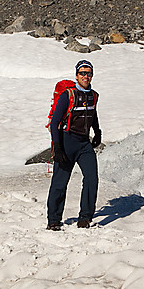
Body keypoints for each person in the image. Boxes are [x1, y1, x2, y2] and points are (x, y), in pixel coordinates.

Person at [46, 60, 102, 230]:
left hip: (84, 144)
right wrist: (57, 146)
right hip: (66, 141)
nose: (86, 76)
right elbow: (55, 121)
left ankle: (85, 217)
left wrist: (97, 131)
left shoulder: (93, 95)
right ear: (76, 75)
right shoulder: (68, 95)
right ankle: (54, 220)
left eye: (89, 73)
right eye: (82, 73)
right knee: (59, 182)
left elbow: (92, 114)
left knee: (92, 179)